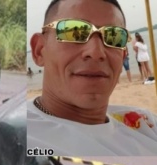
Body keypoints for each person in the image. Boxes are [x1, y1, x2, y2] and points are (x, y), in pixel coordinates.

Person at [27, 0, 157, 156]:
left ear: (122, 56)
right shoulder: (17, 138)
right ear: (39, 50)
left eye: (113, 36)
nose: (96, 52)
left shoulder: (146, 123)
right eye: (74, 32)